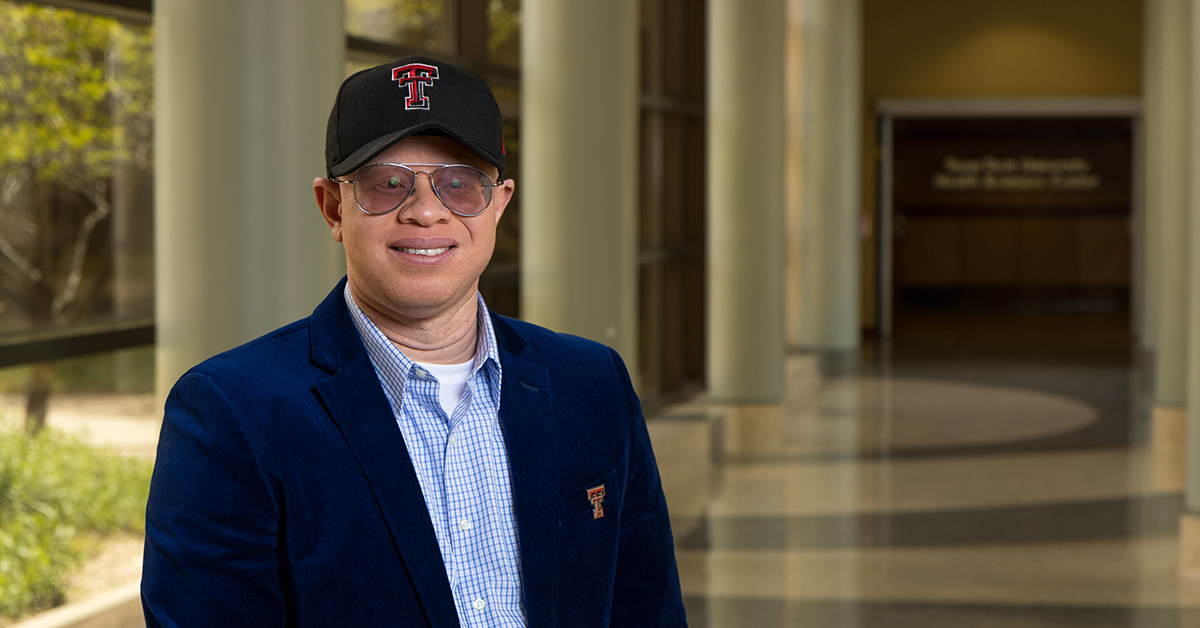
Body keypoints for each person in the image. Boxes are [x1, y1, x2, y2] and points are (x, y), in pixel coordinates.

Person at [140, 56, 687, 628]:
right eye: (385, 184)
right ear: (333, 207)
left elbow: (647, 609)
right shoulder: (233, 411)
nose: (426, 211)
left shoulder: (591, 382)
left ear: (498, 203)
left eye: (459, 183)